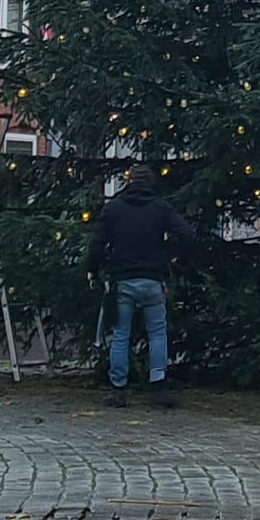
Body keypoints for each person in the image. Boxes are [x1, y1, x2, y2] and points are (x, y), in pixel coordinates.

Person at [87, 166, 195, 402]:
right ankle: (158, 386)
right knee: (157, 333)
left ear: (128, 182)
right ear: (151, 183)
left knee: (120, 334)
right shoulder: (160, 208)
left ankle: (118, 389)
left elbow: (97, 244)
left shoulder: (113, 208)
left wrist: (92, 270)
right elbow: (186, 234)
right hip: (153, 279)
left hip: (121, 280)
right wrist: (175, 260)